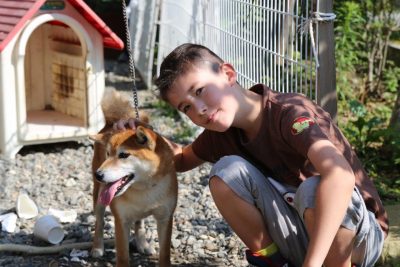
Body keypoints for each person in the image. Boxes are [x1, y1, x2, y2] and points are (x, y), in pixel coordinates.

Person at [114, 43, 388, 267]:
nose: (198, 109)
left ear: (228, 74)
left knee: (314, 188)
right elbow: (181, 160)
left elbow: (340, 177)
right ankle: (274, 262)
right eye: (186, 107)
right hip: (302, 235)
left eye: (200, 91)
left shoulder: (289, 113)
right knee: (226, 172)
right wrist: (142, 137)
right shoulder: (222, 134)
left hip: (357, 240)